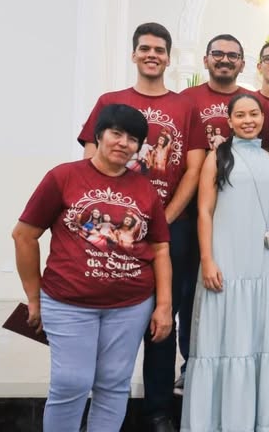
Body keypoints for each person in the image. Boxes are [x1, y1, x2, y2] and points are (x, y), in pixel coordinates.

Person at [77, 22, 206, 432]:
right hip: (116, 229)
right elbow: (90, 161)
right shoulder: (109, 101)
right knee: (106, 312)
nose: (152, 55)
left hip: (173, 228)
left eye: (160, 50)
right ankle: (96, 401)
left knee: (164, 318)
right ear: (134, 54)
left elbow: (194, 168)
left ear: (169, 57)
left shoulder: (185, 106)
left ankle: (158, 410)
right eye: (145, 48)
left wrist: (164, 221)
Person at [13, 105, 172, 432]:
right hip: (68, 303)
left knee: (114, 383)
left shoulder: (145, 189)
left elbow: (159, 248)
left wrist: (164, 306)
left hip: (131, 306)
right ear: (99, 135)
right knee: (71, 382)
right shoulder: (63, 177)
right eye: (116, 133)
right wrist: (34, 297)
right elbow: (24, 235)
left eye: (133, 139)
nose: (123, 143)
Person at [181, 94, 269, 431]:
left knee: (266, 341)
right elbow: (204, 211)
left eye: (254, 114)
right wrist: (207, 260)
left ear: (263, 118)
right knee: (226, 340)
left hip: (264, 264)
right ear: (229, 121)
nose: (248, 121)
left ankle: (267, 423)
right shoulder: (217, 157)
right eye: (241, 115)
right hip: (226, 261)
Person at [174, 33, 250, 396]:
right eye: (217, 54)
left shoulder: (250, 101)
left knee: (234, 293)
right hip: (193, 215)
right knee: (191, 293)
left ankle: (232, 363)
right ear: (205, 60)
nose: (224, 60)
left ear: (242, 64)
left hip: (238, 217)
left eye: (232, 55)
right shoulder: (186, 100)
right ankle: (191, 363)